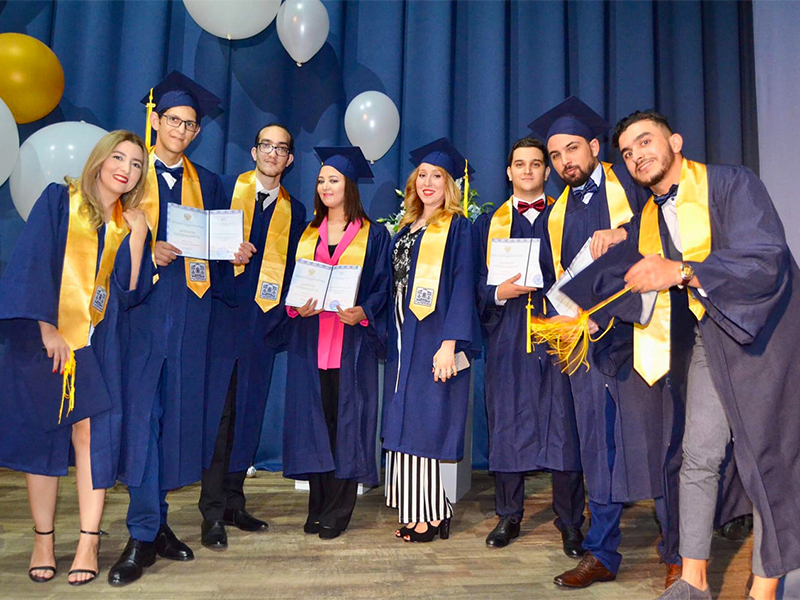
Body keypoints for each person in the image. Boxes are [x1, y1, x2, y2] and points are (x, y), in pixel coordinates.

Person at [596, 110, 800, 600]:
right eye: (627, 152)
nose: (637, 155)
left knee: (769, 456)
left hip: (766, 334)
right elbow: (643, 287)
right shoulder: (648, 216)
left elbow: (766, 259)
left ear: (676, 142)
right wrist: (585, 318)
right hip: (714, 337)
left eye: (645, 142)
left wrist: (684, 270)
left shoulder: (731, 184)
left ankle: (765, 588)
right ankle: (693, 580)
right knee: (699, 454)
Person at [529, 97, 680, 589]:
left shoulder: (633, 184)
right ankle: (602, 553)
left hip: (639, 339)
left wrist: (624, 232)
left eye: (572, 148)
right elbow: (560, 281)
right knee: (599, 449)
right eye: (555, 155)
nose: (564, 161)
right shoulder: (557, 213)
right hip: (588, 348)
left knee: (656, 443)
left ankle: (676, 550)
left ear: (595, 147)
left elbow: (665, 235)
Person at [109, 71, 252, 586]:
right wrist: (150, 252)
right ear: (155, 120)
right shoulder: (128, 178)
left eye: (191, 124)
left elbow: (212, 250)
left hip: (192, 321)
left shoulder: (208, 182)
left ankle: (160, 525)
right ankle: (141, 531)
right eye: (174, 120)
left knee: (174, 426)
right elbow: (105, 244)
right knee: (143, 423)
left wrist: (232, 254)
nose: (182, 130)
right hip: (142, 318)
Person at [0, 130, 152, 585]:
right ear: (101, 160)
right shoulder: (58, 199)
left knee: (92, 439)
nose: (126, 168)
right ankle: (43, 538)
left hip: (97, 342)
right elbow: (32, 261)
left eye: (137, 164)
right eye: (119, 157)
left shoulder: (128, 222)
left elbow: (130, 290)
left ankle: (88, 539)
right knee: (44, 440)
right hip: (46, 337)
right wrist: (47, 327)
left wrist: (140, 238)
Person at [473, 136, 585, 555]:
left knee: (565, 428)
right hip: (508, 336)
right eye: (519, 164)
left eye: (535, 164)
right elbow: (474, 288)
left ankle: (571, 522)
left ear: (546, 170)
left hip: (559, 334)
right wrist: (498, 292)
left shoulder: (567, 216)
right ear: (508, 172)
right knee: (508, 422)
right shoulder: (488, 224)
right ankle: (509, 514)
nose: (527, 171)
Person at [199, 123, 306, 549]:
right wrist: (222, 250)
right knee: (219, 418)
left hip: (262, 328)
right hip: (221, 323)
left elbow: (297, 270)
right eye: (267, 145)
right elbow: (194, 244)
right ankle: (210, 511)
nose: (273, 154)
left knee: (248, 416)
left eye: (282, 148)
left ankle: (233, 502)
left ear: (290, 159)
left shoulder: (295, 211)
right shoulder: (223, 191)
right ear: (253, 150)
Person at [283, 146, 391, 540]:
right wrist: (296, 308)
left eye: (334, 180)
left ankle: (339, 508)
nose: (326, 186)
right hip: (310, 342)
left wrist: (364, 311)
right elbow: (289, 285)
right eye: (321, 180)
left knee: (347, 424)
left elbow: (381, 286)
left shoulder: (373, 235)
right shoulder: (306, 233)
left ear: (349, 187)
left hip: (351, 344)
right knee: (316, 425)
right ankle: (317, 503)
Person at [382, 138, 481, 543]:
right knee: (404, 421)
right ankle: (418, 510)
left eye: (436, 176)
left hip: (433, 334)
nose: (427, 182)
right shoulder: (405, 228)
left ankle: (430, 515)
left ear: (449, 185)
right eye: (421, 175)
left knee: (428, 422)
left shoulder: (458, 227)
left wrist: (449, 342)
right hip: (403, 336)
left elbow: (463, 285)